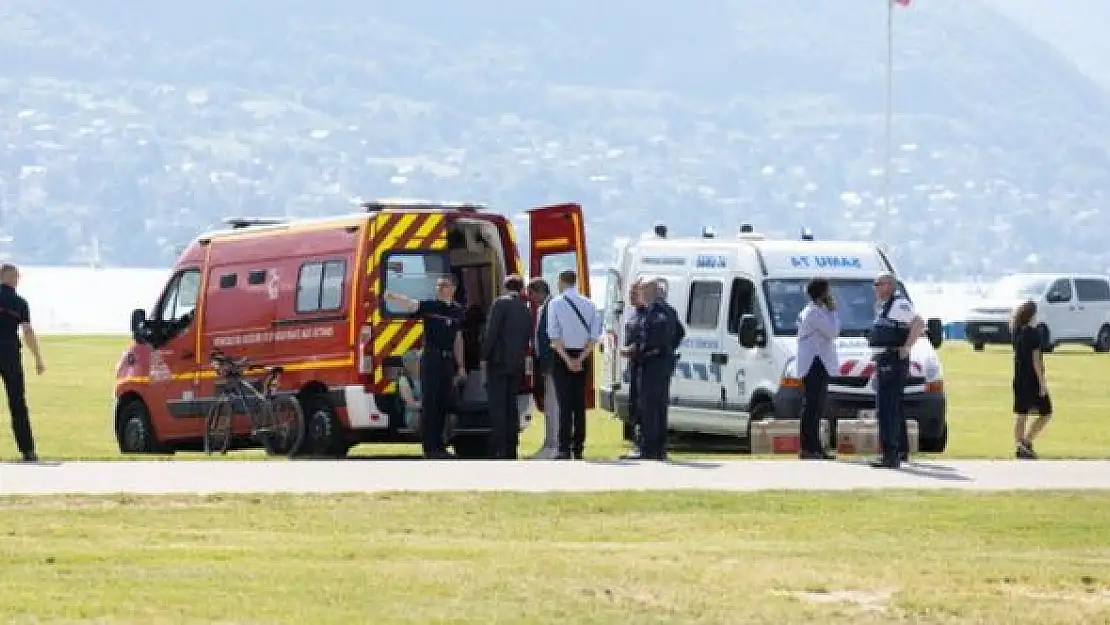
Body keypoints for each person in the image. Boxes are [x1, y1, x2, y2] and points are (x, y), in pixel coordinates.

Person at [384, 275, 466, 459]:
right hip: (431, 359)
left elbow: (457, 339)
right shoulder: (430, 307)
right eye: (437, 285)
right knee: (431, 404)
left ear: (453, 288)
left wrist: (461, 366)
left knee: (445, 403)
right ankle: (431, 448)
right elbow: (412, 304)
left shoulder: (457, 311)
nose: (438, 288)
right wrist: (394, 297)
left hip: (447, 361)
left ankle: (441, 445)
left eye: (443, 285)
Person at [868, 271, 924, 469]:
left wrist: (907, 347)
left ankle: (890, 454)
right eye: (875, 284)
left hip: (892, 360)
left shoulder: (899, 304)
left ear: (890, 285)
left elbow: (918, 323)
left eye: (879, 284)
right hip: (884, 359)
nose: (875, 288)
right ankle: (898, 450)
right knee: (893, 407)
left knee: (886, 408)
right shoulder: (884, 306)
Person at [546, 269, 601, 460]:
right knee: (579, 404)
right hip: (583, 355)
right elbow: (594, 337)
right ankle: (578, 446)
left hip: (562, 355)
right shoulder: (590, 304)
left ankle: (563, 447)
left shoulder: (556, 303)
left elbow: (553, 336)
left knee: (564, 404)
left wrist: (568, 360)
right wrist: (580, 358)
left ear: (561, 282)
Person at [633, 277, 685, 461]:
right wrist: (669, 348)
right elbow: (680, 332)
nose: (641, 295)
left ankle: (648, 448)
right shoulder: (670, 310)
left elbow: (650, 338)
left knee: (649, 407)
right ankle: (660, 447)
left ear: (650, 292)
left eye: (643, 291)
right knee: (660, 407)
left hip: (652, 363)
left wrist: (638, 351)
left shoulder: (654, 312)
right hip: (664, 363)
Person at [481, 274, 532, 459]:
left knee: (498, 407)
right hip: (516, 364)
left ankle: (499, 448)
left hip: (499, 362)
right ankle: (511, 447)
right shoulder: (525, 309)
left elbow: (492, 332)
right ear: (521, 289)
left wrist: (484, 355)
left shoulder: (500, 304)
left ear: (505, 287)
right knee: (511, 407)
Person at [0, 263, 45, 463]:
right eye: (17, 277)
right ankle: (27, 450)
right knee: (17, 402)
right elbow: (27, 332)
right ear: (10, 278)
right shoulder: (19, 302)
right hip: (9, 352)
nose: (18, 280)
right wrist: (38, 358)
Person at [796, 278, 840, 460]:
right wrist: (834, 311)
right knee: (813, 407)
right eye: (827, 291)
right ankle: (809, 447)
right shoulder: (815, 313)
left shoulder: (812, 311)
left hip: (815, 362)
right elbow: (833, 331)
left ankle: (813, 446)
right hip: (815, 363)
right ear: (822, 293)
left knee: (814, 407)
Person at [1010, 300, 1052, 459]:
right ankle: (1026, 442)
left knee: (1022, 413)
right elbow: (1036, 361)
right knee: (1046, 412)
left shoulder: (1016, 331)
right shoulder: (1034, 333)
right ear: (1032, 315)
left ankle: (1019, 446)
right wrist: (1042, 383)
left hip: (1019, 378)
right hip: (1032, 380)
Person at [526, 278, 560, 459]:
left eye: (531, 294)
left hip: (551, 363)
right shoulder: (543, 308)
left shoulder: (552, 306)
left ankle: (553, 444)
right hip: (544, 363)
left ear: (539, 292)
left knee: (552, 404)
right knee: (548, 403)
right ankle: (549, 442)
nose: (530, 299)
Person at [618, 279, 649, 460]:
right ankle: (637, 444)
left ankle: (642, 446)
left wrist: (630, 350)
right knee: (634, 408)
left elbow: (644, 340)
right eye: (630, 293)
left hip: (642, 366)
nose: (631, 296)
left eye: (634, 293)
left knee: (642, 408)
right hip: (634, 367)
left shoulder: (646, 315)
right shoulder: (633, 315)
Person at [397, 349, 422, 432]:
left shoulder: (426, 378)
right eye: (417, 361)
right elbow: (411, 404)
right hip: (413, 414)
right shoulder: (404, 380)